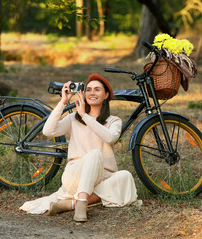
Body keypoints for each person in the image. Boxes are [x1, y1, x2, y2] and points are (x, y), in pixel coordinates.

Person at [19, 74, 137, 222]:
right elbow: (48, 131)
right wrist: (63, 101)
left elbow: (110, 137)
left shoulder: (113, 121)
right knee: (94, 154)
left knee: (125, 176)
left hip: (101, 177)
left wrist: (85, 116)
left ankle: (71, 204)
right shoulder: (74, 118)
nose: (92, 93)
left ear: (106, 95)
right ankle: (81, 205)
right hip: (76, 174)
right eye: (88, 89)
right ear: (83, 93)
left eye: (97, 90)